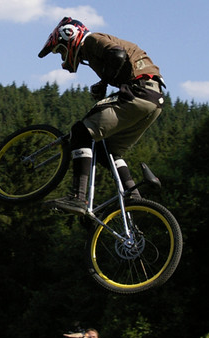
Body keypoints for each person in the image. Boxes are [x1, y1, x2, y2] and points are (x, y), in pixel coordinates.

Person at [38, 17, 166, 215]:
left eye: (62, 50)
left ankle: (78, 197)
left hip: (139, 92)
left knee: (81, 131)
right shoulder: (91, 53)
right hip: (153, 101)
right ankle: (133, 195)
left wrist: (103, 83)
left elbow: (117, 54)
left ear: (69, 36)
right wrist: (104, 83)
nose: (63, 56)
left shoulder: (91, 40)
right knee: (109, 149)